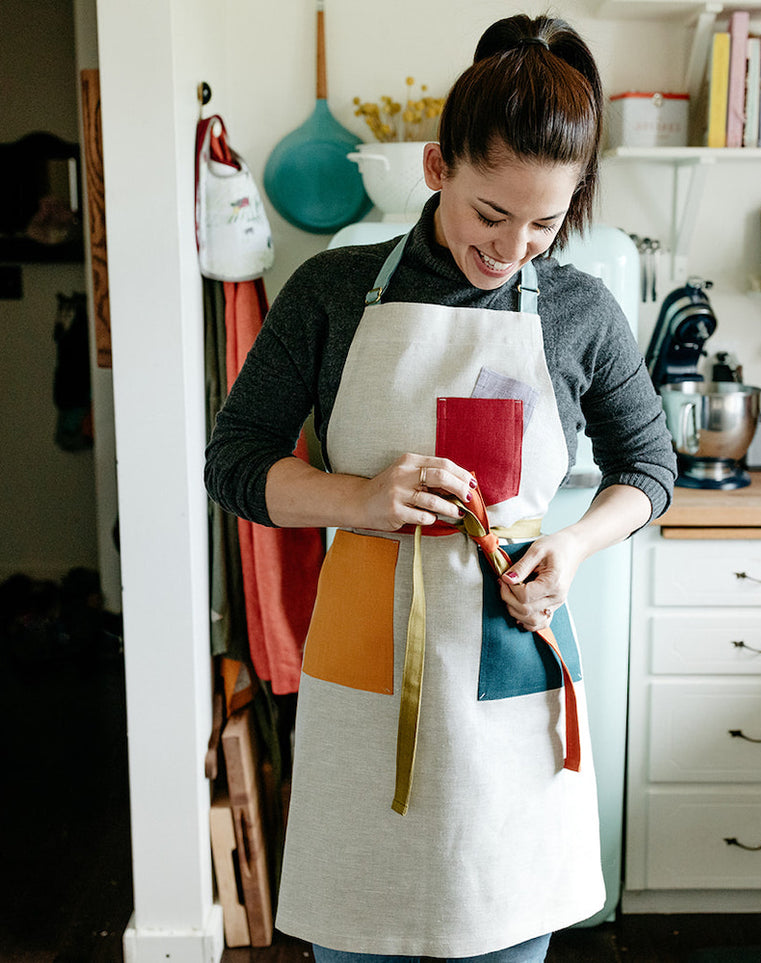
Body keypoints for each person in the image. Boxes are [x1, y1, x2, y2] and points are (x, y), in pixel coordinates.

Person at [205, 13, 676, 962]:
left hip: (511, 657)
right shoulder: (333, 291)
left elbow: (650, 469)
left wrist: (572, 547)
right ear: (435, 169)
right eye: (490, 216)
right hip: (364, 662)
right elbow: (235, 461)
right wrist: (355, 500)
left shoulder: (580, 309)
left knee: (503, 926)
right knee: (358, 927)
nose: (511, 251)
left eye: (545, 223)